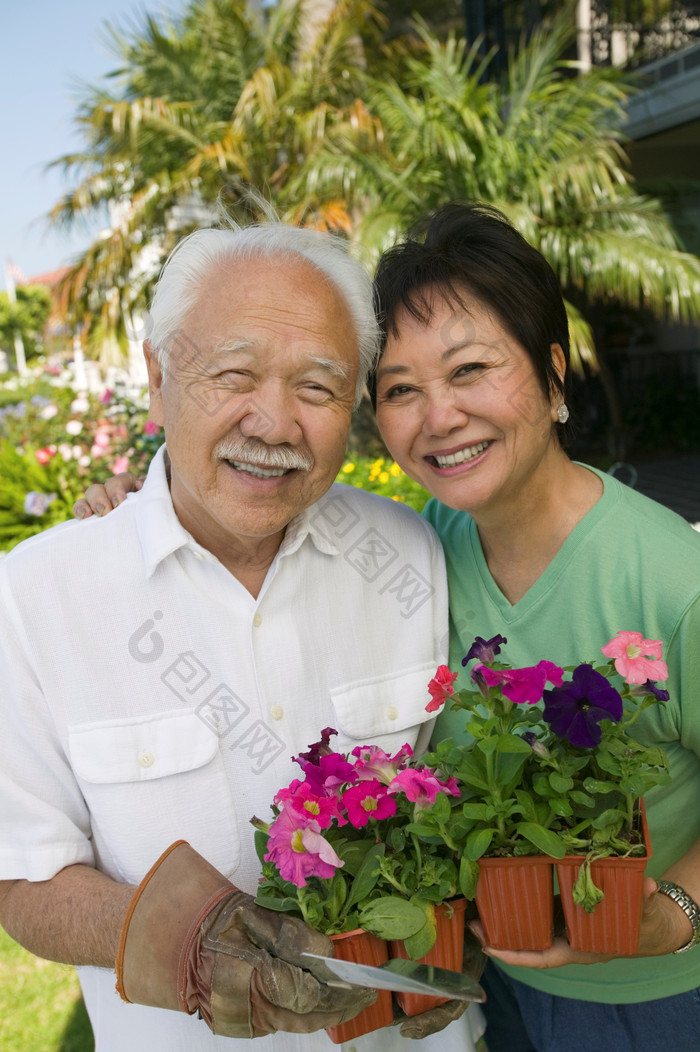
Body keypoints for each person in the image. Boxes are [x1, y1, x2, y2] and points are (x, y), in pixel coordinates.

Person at [76, 202, 700, 1051]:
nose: (438, 417)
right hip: (489, 988)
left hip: (651, 999)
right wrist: (139, 514)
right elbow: (264, 497)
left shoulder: (672, 578)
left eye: (471, 370)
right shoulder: (418, 550)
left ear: (553, 375)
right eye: (401, 390)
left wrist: (673, 916)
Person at [0, 218, 486, 1052]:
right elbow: (24, 880)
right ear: (156, 380)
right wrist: (191, 939)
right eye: (233, 374)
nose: (274, 422)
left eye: (319, 387)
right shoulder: (36, 597)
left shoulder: (407, 553)